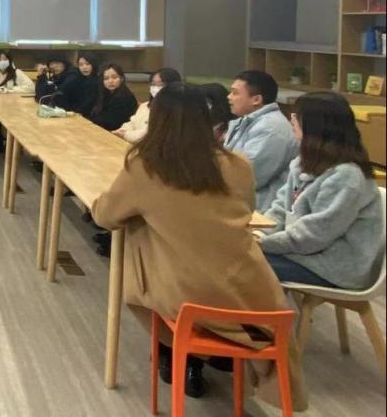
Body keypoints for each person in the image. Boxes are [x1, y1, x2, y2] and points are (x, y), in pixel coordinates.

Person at [93, 83, 303, 403]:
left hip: (184, 296)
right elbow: (246, 211)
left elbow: (106, 216)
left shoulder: (145, 167)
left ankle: (179, 353)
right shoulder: (238, 165)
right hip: (250, 291)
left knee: (142, 238)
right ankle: (208, 354)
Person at [258, 92, 383, 289]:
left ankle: (261, 310)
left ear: (316, 126)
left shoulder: (347, 176)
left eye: (297, 116)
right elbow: (281, 208)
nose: (291, 119)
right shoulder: (302, 163)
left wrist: (263, 243)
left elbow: (314, 235)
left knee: (242, 264)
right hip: (303, 253)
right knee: (235, 256)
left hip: (333, 267)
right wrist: (260, 233)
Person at [225, 70, 297, 212]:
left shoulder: (270, 128)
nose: (229, 97)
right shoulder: (247, 120)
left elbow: (248, 176)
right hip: (243, 202)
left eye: (235, 93)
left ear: (256, 99)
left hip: (262, 210)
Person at [0, 49, 34, 152]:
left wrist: (11, 90)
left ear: (9, 60)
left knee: (17, 120)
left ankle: (15, 145)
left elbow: (31, 87)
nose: (2, 61)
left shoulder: (16, 72)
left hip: (14, 107)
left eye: (5, 59)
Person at [114, 68, 182, 143]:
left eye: (161, 84)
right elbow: (132, 123)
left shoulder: (176, 110)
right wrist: (122, 130)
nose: (156, 88)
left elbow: (150, 133)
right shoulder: (145, 105)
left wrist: (126, 135)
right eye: (153, 84)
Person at [89, 63, 138, 132]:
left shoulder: (125, 97)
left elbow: (111, 123)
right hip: (102, 129)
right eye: (106, 78)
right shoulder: (105, 93)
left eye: (114, 77)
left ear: (121, 79)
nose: (110, 81)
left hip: (116, 133)